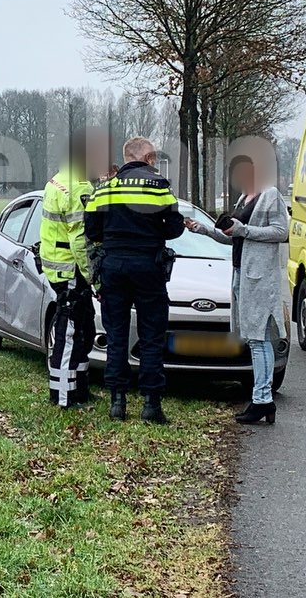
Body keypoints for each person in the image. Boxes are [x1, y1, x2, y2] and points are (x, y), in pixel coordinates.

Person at [84, 136, 185, 424]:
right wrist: (150, 235)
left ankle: (117, 403)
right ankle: (151, 405)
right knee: (151, 336)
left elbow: (91, 231)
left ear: (126, 157)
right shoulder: (160, 187)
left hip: (113, 266)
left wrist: (115, 239)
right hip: (148, 266)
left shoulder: (104, 189)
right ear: (149, 157)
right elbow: (175, 228)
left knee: (116, 336)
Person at [186, 156, 290, 425]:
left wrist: (243, 228)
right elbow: (233, 236)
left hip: (260, 278)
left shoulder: (270, 196)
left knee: (259, 340)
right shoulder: (244, 198)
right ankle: (261, 399)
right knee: (253, 338)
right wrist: (203, 229)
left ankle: (262, 400)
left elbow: (280, 232)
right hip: (241, 274)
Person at [40, 127, 109, 408]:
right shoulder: (79, 186)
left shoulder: (57, 180)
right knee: (70, 332)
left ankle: (79, 388)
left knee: (82, 328)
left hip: (58, 268)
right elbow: (79, 239)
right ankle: (63, 396)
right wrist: (93, 278)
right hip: (71, 270)